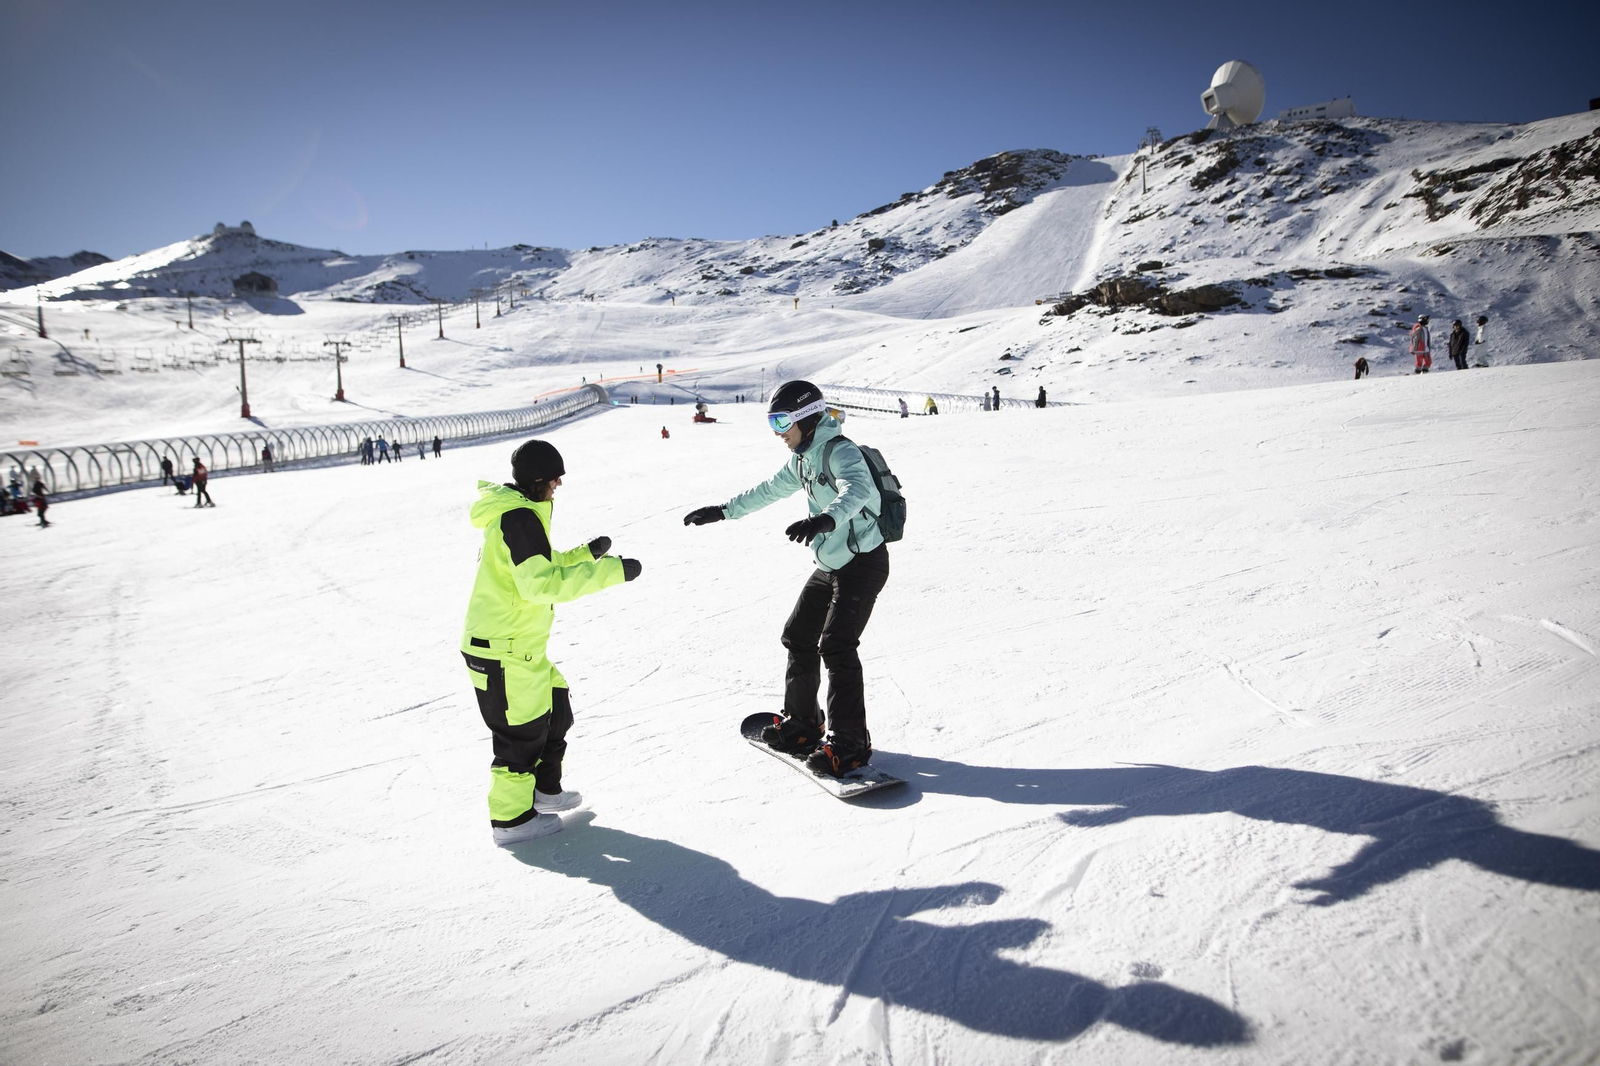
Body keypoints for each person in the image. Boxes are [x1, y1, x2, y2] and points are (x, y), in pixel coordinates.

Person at [682, 380, 889, 777]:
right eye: (772, 423)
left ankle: (850, 743)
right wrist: (723, 511)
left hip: (863, 563)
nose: (779, 433)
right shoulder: (803, 458)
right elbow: (769, 490)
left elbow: (858, 489)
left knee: (837, 645)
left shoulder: (840, 451)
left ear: (806, 418)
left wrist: (826, 517)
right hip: (832, 562)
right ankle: (803, 724)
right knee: (798, 635)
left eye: (782, 422)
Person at [461, 439, 642, 846]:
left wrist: (586, 555)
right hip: (502, 649)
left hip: (518, 646)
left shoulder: (523, 513)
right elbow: (540, 585)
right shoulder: (519, 519)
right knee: (521, 734)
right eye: (555, 476)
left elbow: (542, 564)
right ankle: (510, 822)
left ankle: (545, 790)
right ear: (538, 479)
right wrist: (609, 573)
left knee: (556, 707)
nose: (560, 483)